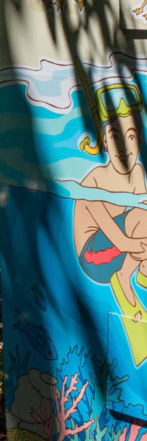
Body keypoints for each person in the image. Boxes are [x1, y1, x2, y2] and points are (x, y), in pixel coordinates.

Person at [74, 88, 147, 320]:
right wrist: (142, 250)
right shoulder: (93, 181)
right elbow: (121, 239)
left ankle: (137, 273)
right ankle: (124, 278)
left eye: (131, 136)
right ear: (104, 140)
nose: (124, 146)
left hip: (120, 249)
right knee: (141, 217)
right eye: (115, 136)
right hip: (93, 257)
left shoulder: (137, 172)